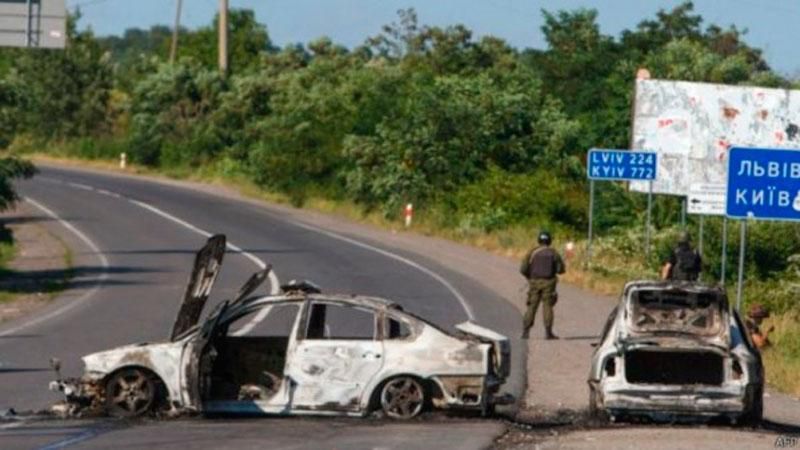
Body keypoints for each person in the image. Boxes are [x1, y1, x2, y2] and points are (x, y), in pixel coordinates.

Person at [520, 230, 565, 340]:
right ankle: (548, 332)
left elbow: (523, 269)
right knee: (548, 306)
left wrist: (530, 278)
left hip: (534, 282)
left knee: (532, 306)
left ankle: (525, 332)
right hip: (549, 283)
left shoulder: (532, 252)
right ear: (549, 240)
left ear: (539, 240)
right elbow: (560, 270)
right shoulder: (554, 253)